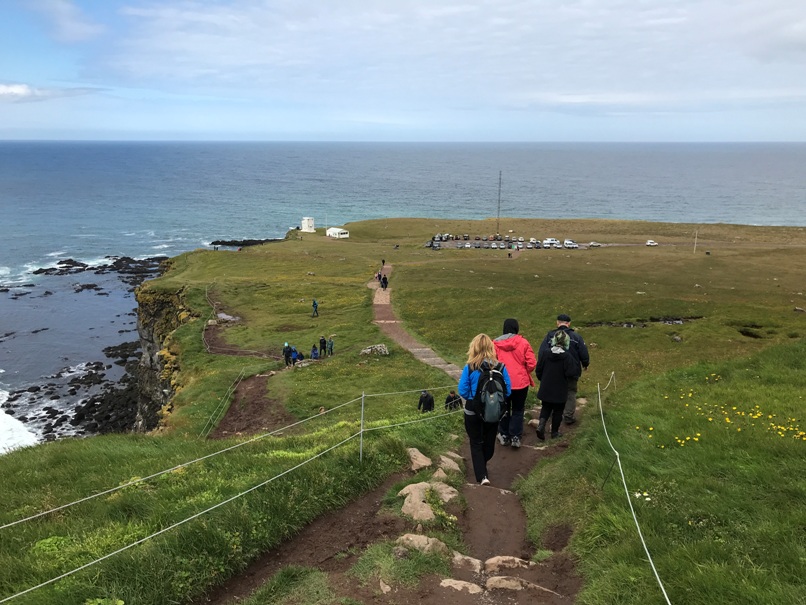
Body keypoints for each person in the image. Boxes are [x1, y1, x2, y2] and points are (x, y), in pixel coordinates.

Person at [458, 334, 512, 485]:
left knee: (475, 442)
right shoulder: (501, 367)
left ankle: (482, 476)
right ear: (491, 348)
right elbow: (507, 390)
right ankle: (483, 467)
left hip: (472, 410)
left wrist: (474, 400)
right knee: (489, 441)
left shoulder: (470, 367)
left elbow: (462, 390)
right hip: (493, 410)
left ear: (473, 348)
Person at [538, 313, 590, 424]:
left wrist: (542, 367)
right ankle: (568, 416)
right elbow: (583, 352)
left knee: (553, 390)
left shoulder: (550, 335)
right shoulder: (576, 337)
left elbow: (542, 352)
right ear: (569, 323)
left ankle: (551, 413)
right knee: (571, 391)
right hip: (572, 370)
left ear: (557, 322)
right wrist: (585, 363)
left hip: (552, 370)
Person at [493, 318, 537, 449]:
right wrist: (524, 371)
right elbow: (532, 363)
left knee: (503, 408)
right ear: (516, 328)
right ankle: (515, 436)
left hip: (501, 382)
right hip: (520, 383)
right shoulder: (523, 342)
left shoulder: (494, 344)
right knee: (518, 409)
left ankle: (504, 434)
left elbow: (491, 362)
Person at [535, 330, 577, 440]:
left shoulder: (545, 353)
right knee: (558, 410)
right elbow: (571, 373)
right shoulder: (567, 357)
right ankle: (554, 432)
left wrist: (542, 378)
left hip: (546, 385)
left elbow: (539, 369)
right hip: (560, 387)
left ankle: (541, 425)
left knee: (546, 407)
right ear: (566, 342)